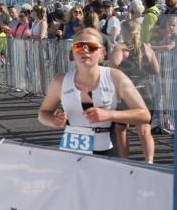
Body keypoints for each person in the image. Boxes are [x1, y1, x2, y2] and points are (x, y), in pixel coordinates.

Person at [38, 28, 150, 159]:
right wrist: (53, 120)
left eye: (91, 47)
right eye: (79, 46)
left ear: (102, 52)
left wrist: (109, 115)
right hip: (72, 149)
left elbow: (144, 115)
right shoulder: (60, 81)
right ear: (73, 53)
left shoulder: (115, 77)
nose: (85, 50)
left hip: (108, 148)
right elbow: (43, 113)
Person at [109, 20, 160, 162]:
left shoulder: (120, 48)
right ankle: (149, 161)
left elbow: (112, 69)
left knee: (121, 128)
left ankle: (125, 160)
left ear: (123, 32)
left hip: (127, 92)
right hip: (144, 91)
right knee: (144, 129)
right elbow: (156, 69)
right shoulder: (147, 48)